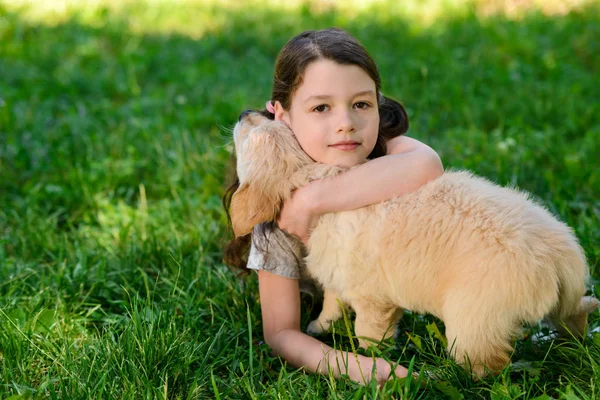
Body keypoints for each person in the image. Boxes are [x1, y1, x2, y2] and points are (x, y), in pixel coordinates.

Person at [223, 28, 444, 386]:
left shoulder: (379, 152)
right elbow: (280, 333)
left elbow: (427, 164)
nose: (346, 124)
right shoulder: (275, 210)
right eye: (321, 107)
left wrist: (314, 199)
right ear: (282, 114)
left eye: (361, 104)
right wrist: (362, 368)